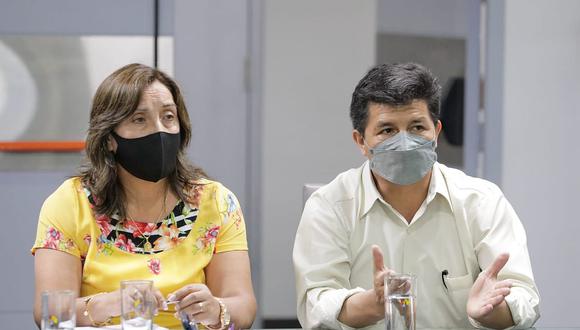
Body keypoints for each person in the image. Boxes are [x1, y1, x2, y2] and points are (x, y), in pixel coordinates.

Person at [293, 63, 540, 329]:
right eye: (387, 130)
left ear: (436, 132)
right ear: (360, 141)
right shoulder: (330, 206)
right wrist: (373, 305)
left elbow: (524, 300)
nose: (404, 142)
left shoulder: (481, 201)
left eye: (417, 127)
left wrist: (489, 312)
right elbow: (316, 304)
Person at [32, 63, 256, 329]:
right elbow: (50, 315)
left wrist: (216, 308)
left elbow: (244, 306)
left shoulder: (217, 202)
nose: (159, 130)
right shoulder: (69, 203)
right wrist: (114, 303)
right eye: (140, 119)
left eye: (169, 116)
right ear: (109, 139)